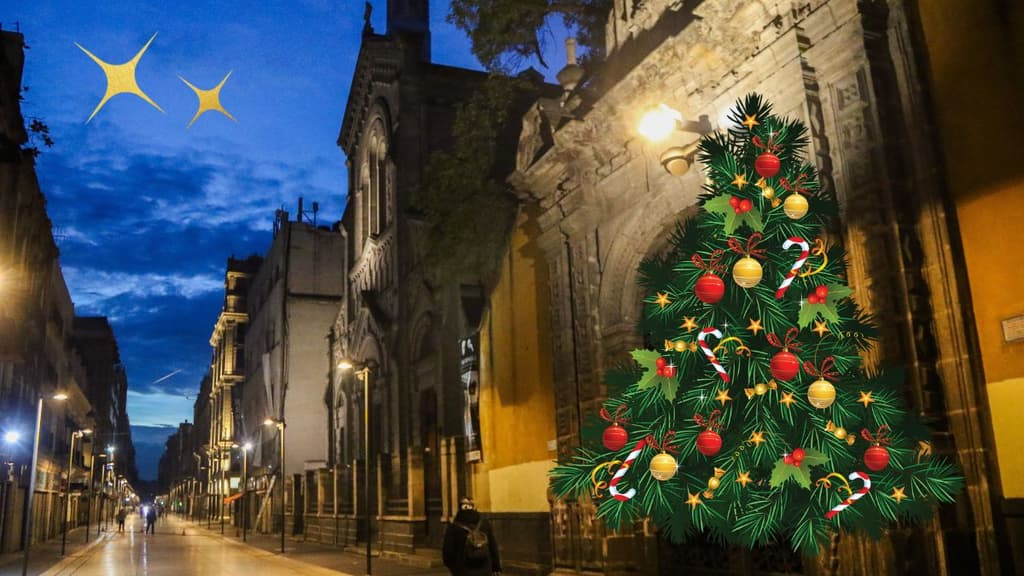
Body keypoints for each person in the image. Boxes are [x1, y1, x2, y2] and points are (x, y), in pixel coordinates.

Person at [442, 498, 501, 576]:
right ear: (474, 508)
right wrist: (496, 567)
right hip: (485, 567)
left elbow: (448, 551)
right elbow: (493, 547)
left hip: (463, 569)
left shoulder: (454, 527)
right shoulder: (485, 524)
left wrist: (454, 568)